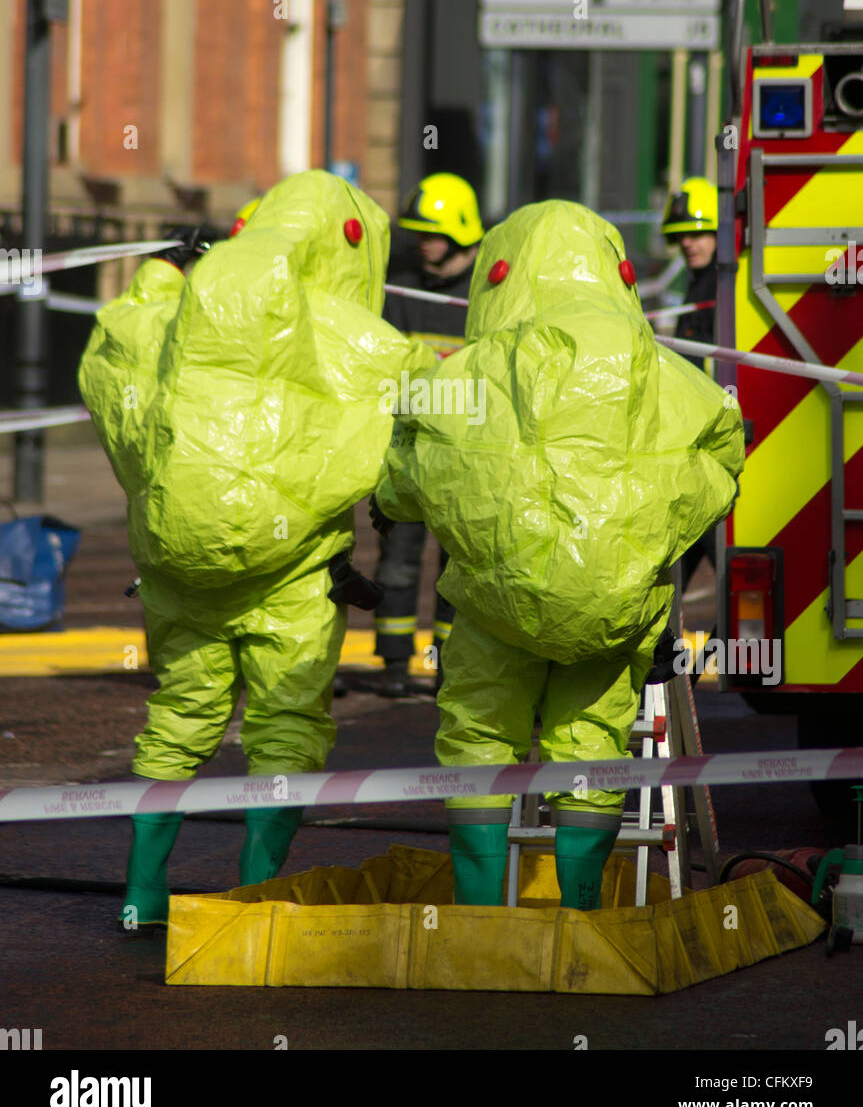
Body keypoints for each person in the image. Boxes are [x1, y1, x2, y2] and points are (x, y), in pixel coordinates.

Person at [78, 172, 434, 929]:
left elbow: (112, 354)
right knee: (284, 726)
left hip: (178, 570)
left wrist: (160, 275)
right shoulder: (358, 341)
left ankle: (142, 897)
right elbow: (426, 429)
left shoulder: (175, 324)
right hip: (294, 577)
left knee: (178, 719)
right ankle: (252, 898)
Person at [371, 199, 744, 910]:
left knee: (479, 730)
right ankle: (576, 914)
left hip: (493, 600)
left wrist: (421, 510)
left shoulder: (465, 370)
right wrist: (656, 530)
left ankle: (481, 909)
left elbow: (402, 472)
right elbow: (723, 454)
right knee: (592, 741)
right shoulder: (658, 369)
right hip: (611, 606)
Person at [373, 173, 483, 698]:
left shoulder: (486, 291)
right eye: (418, 233)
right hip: (406, 450)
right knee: (396, 560)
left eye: (433, 234)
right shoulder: (400, 286)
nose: (423, 243)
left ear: (461, 233)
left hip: (465, 455)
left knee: (458, 569)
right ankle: (394, 665)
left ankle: (447, 668)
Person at [662, 177, 719, 592]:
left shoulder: (721, 287)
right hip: (693, 451)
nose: (688, 244)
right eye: (682, 236)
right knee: (671, 573)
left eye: (698, 233)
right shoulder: (698, 285)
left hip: (715, 451)